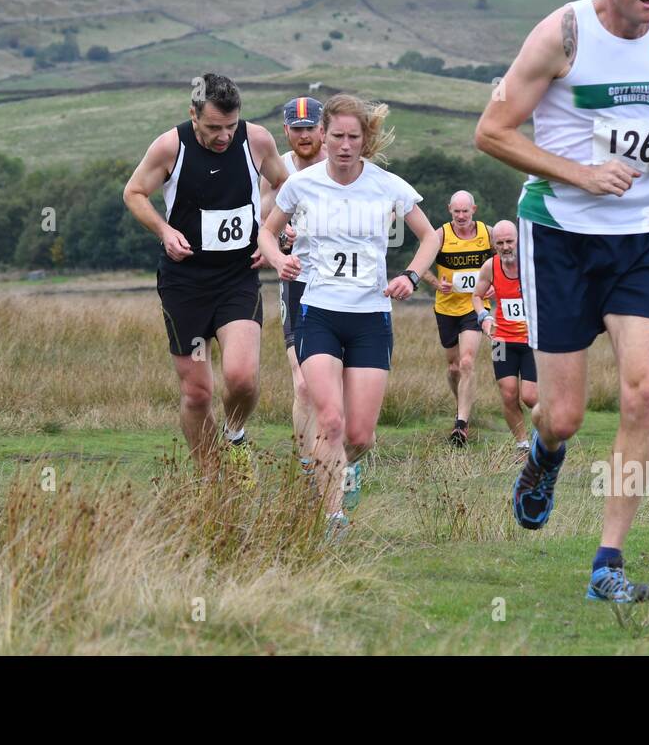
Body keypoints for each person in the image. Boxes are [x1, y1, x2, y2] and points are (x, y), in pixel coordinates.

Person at [474, 0, 649, 603]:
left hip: (639, 236)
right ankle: (544, 456)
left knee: (644, 391)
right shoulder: (563, 35)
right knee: (565, 415)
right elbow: (491, 132)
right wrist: (578, 175)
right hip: (559, 236)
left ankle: (607, 562)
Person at [258, 93, 441, 535]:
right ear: (324, 135)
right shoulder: (301, 185)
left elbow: (431, 237)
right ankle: (331, 516)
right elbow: (267, 231)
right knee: (331, 420)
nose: (343, 145)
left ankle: (345, 468)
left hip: (370, 318)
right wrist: (278, 261)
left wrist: (411, 277)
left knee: (360, 435)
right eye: (336, 135)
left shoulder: (387, 185)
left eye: (352, 137)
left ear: (365, 139)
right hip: (319, 313)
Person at [123, 73, 289, 473]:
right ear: (192, 114)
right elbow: (133, 192)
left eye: (231, 126)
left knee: (242, 378)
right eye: (214, 127)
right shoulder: (170, 147)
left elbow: (287, 186)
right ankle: (212, 481)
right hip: (186, 283)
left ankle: (235, 436)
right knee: (198, 394)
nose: (224, 137)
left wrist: (270, 235)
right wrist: (164, 231)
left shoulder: (258, 141)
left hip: (237, 277)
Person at [259, 96, 327, 478]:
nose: (304, 135)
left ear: (322, 128)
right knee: (302, 383)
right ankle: (307, 468)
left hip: (340, 285)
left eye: (310, 127)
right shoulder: (276, 170)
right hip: (295, 282)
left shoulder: (340, 166)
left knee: (336, 383)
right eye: (296, 128)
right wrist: (272, 245)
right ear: (286, 131)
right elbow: (262, 222)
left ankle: (336, 457)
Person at [421, 191, 494, 446]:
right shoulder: (441, 235)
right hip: (446, 309)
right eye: (456, 212)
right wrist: (435, 283)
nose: (461, 216)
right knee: (453, 369)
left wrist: (497, 284)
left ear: (474, 209)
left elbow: (508, 260)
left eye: (465, 211)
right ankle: (461, 407)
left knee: (466, 362)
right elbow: (421, 265)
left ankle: (461, 425)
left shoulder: (488, 234)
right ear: (449, 210)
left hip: (475, 307)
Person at [470, 220, 536, 455]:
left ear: (519, 240)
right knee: (508, 393)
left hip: (532, 340)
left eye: (510, 241)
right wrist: (484, 317)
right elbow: (477, 296)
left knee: (530, 397)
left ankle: (547, 435)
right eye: (500, 243)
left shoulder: (533, 263)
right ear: (493, 244)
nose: (506, 247)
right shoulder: (490, 266)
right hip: (501, 339)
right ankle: (522, 445)